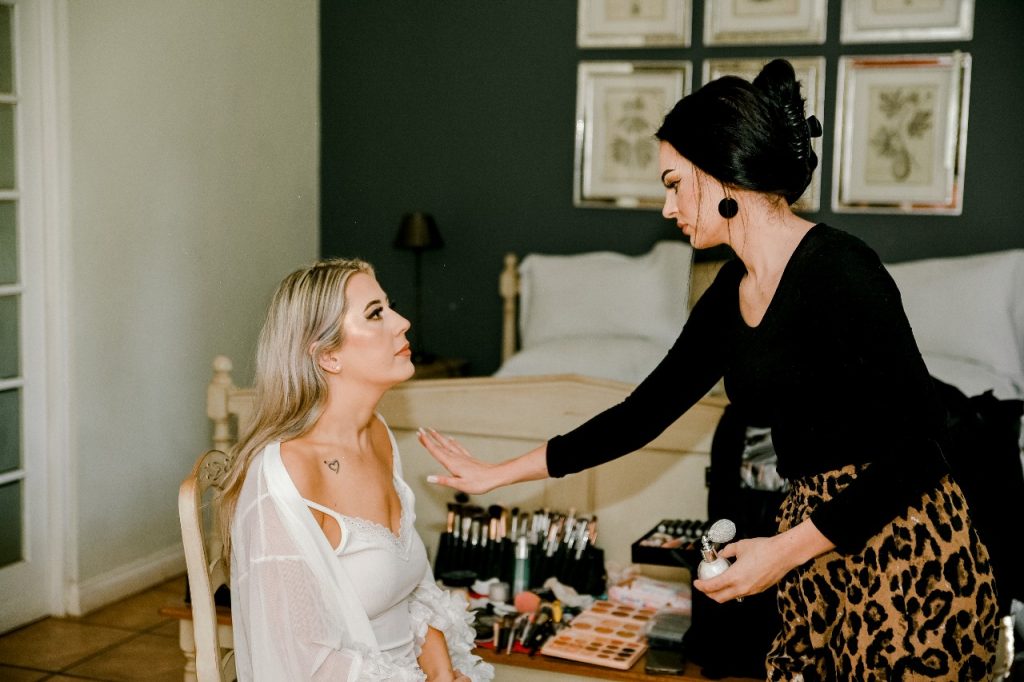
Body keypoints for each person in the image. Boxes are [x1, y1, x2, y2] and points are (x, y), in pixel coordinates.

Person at [419, 59, 999, 680]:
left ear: (721, 173)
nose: (667, 207)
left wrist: (785, 550)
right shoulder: (729, 292)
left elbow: (922, 448)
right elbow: (641, 414)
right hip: (811, 541)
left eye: (674, 184)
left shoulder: (842, 269)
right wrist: (498, 473)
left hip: (903, 545)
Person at [217, 259, 493, 682]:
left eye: (389, 306)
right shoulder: (287, 476)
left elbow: (410, 589)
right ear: (328, 355)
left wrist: (442, 672)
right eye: (376, 314)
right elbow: (300, 661)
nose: (402, 323)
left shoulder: (377, 434)